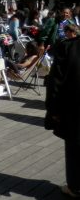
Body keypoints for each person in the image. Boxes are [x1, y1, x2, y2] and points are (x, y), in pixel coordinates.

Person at [44, 33, 80, 198]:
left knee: (74, 148)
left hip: (74, 109)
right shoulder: (67, 46)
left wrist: (53, 109)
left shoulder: (68, 46)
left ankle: (75, 187)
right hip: (73, 108)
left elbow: (55, 82)